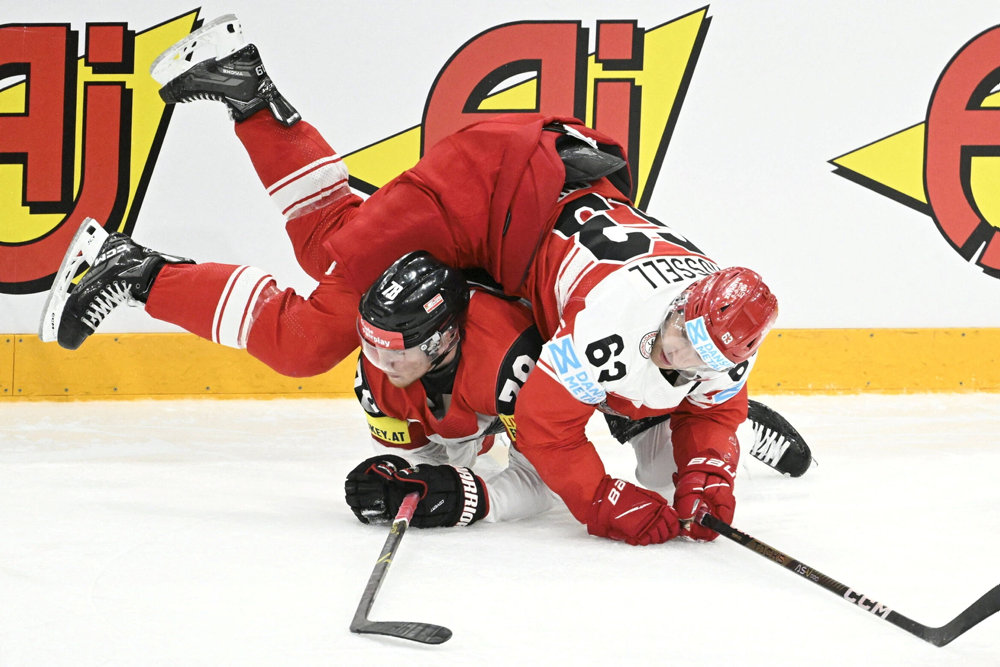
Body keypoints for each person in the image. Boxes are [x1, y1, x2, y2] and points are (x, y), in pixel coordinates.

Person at [40, 16, 782, 546]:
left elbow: (678, 370)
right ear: (686, 302)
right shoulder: (615, 320)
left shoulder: (703, 312)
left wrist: (710, 461)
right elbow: (553, 428)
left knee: (333, 242)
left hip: (533, 200)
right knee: (308, 334)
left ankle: (246, 89)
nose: (684, 347)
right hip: (486, 194)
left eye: (702, 357)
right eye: (684, 340)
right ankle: (129, 268)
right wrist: (604, 500)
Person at [343, 250, 558, 528]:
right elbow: (413, 461)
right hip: (471, 394)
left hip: (557, 385)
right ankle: (467, 433)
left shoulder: (513, 359)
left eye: (398, 350)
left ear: (442, 340)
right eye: (373, 346)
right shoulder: (374, 376)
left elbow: (542, 480)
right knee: (451, 424)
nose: (384, 364)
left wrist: (475, 500)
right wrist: (398, 478)